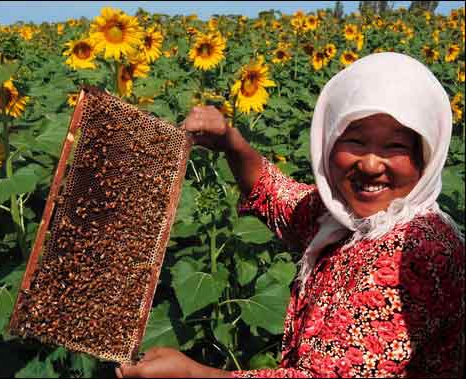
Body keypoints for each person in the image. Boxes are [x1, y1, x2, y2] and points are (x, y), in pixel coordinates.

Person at [116, 52, 465, 378]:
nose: (371, 164)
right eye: (355, 140)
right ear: (329, 140)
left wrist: (196, 373)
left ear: (427, 153)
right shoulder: (349, 218)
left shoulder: (418, 252)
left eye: (396, 146)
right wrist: (231, 142)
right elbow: (279, 197)